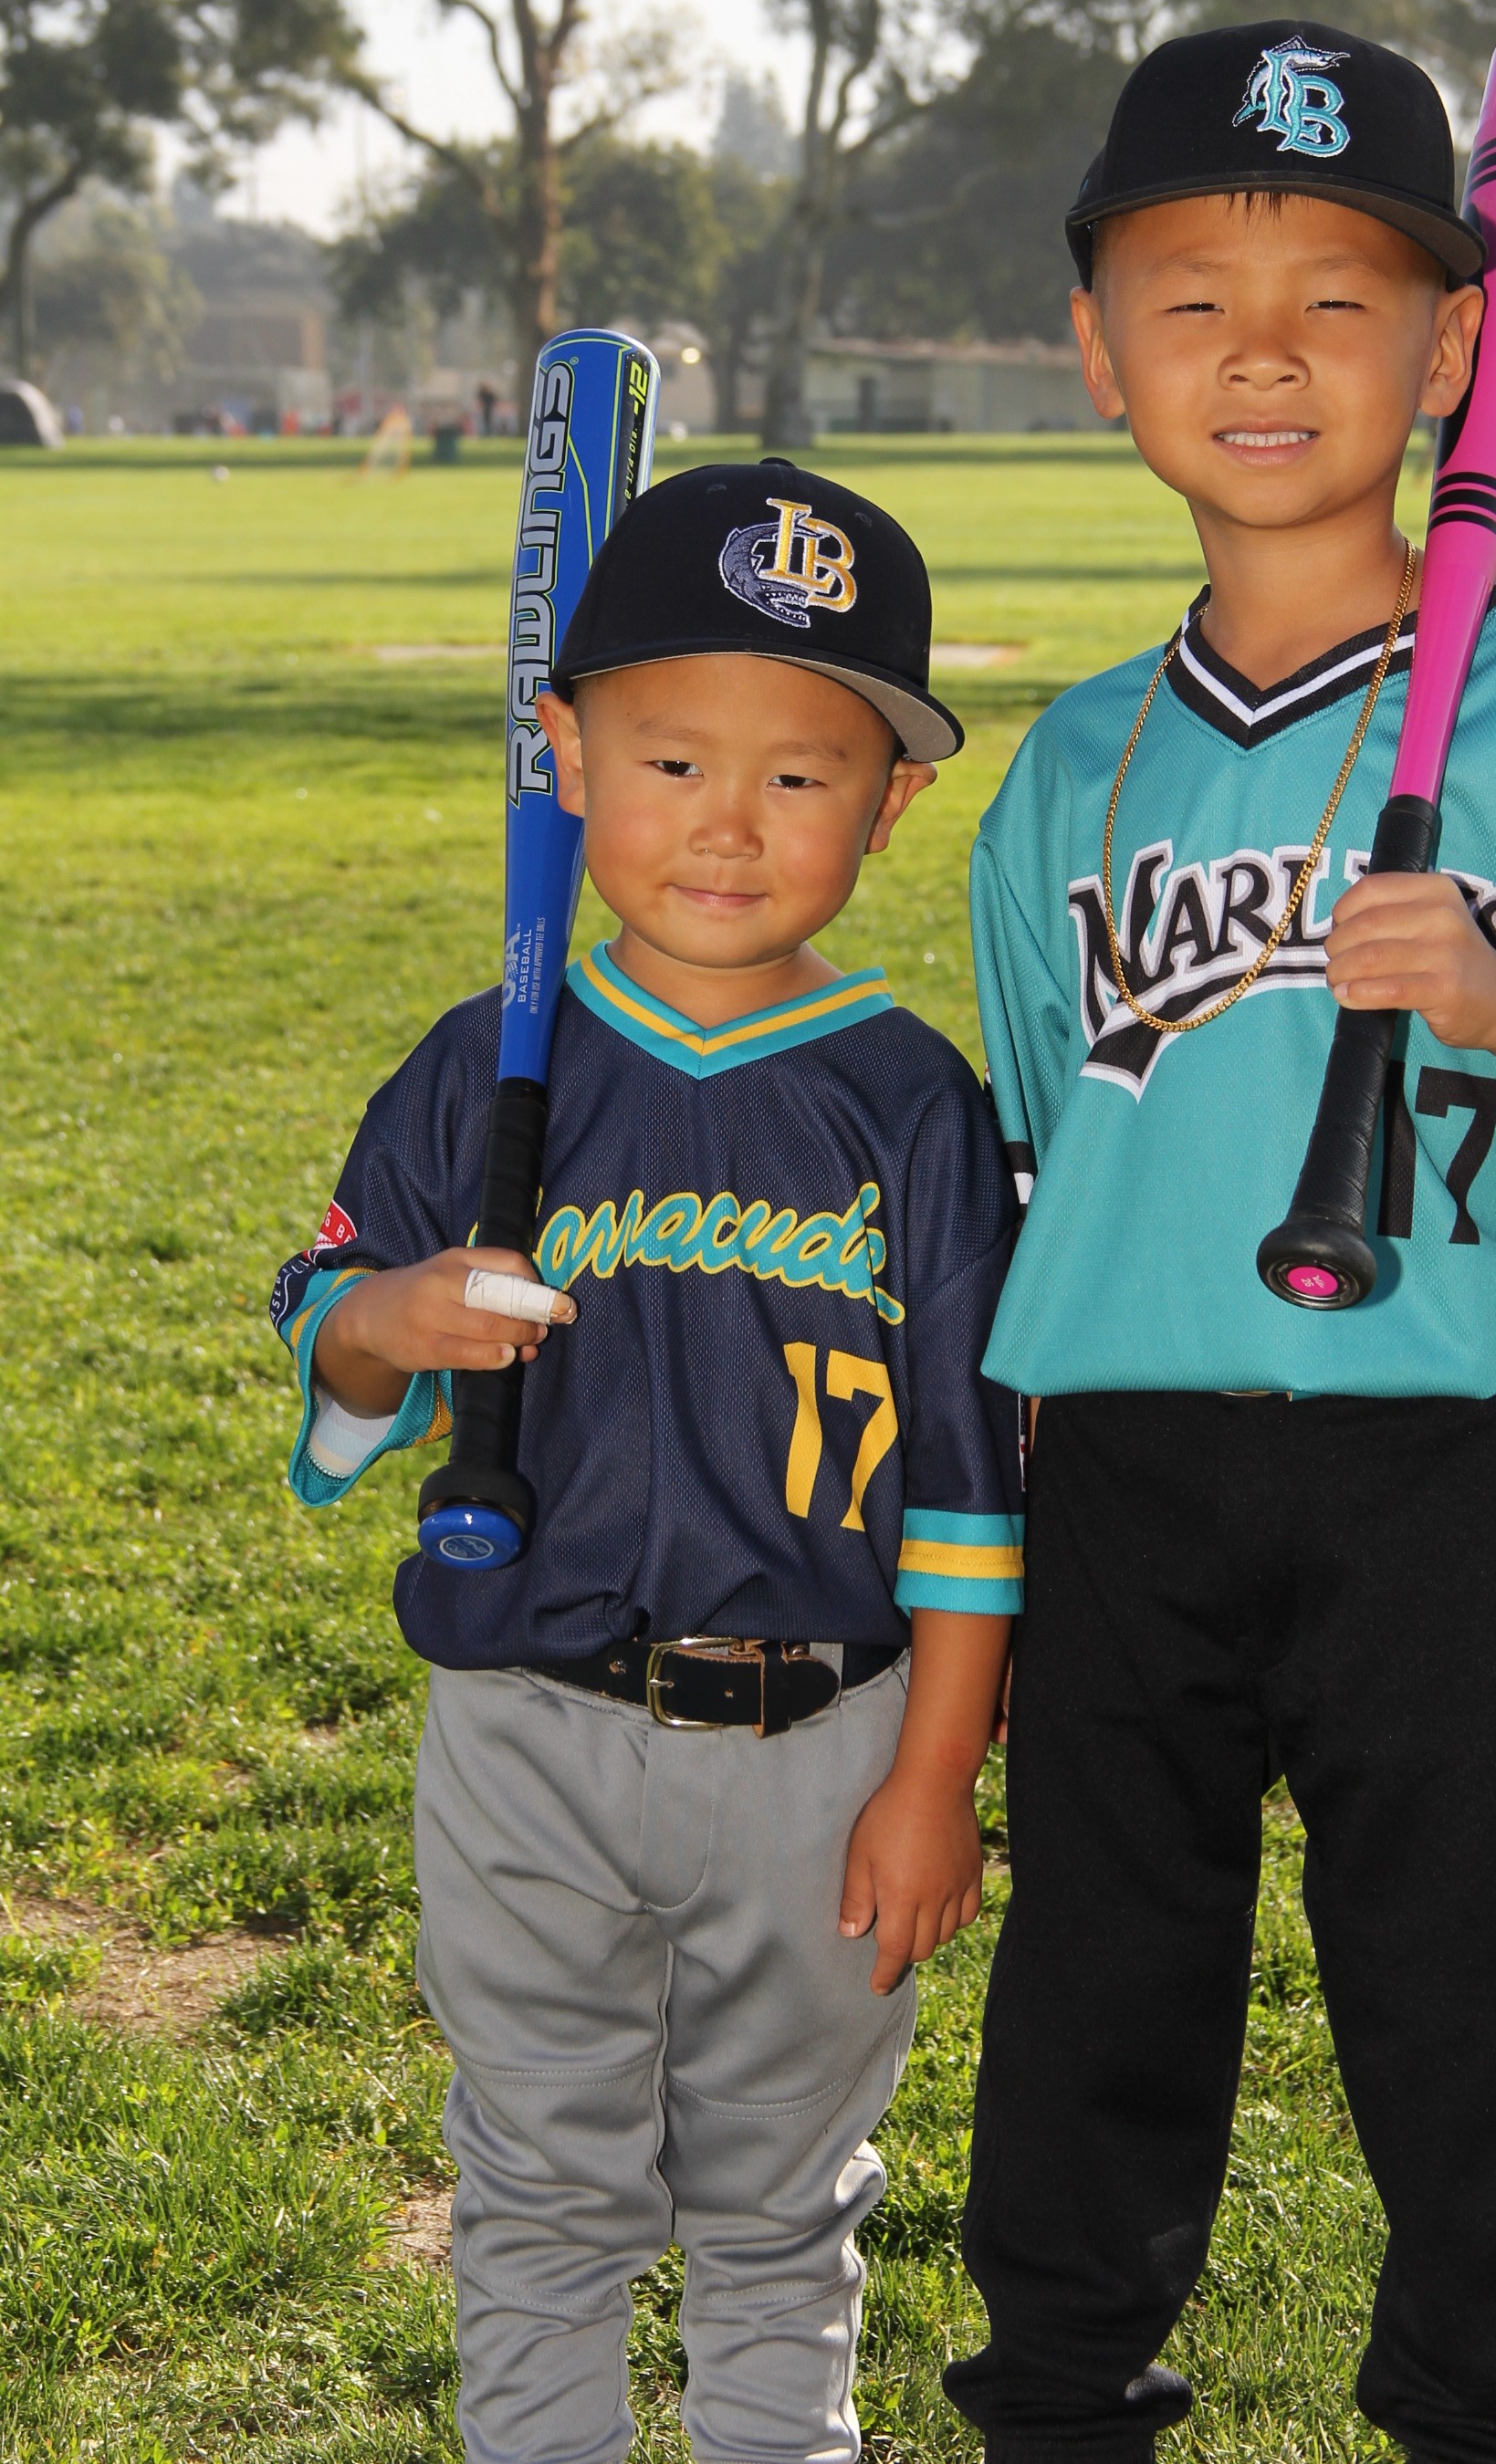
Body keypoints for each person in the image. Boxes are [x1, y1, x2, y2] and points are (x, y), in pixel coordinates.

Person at [941, 22, 1496, 2464]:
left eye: (1339, 299)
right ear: (1101, 358)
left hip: (1441, 1481)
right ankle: (1065, 2404)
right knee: (1098, 2002)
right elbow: (1033, 1174)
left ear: (1452, 354)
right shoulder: (1067, 768)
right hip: (1124, 1479)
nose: (1265, 352)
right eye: (1193, 301)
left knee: (1475, 2006)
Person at [271, 460, 1024, 2464]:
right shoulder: (484, 1062)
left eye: (802, 773)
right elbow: (328, 1325)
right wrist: (392, 1319)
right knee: (541, 2192)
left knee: (784, 2211)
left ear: (892, 804)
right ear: (567, 756)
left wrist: (936, 1780)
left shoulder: (912, 1105)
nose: (729, 820)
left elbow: (974, 1491)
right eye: (675, 757)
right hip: (528, 1728)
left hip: (830, 1748)